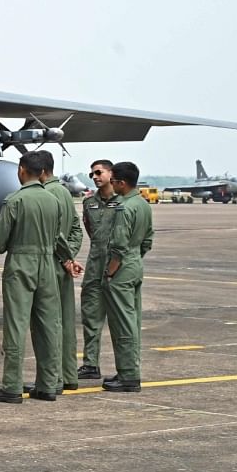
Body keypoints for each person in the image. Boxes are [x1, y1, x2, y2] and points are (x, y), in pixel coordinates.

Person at [0, 151, 76, 404]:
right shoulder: (53, 199)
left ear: (23, 170)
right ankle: (48, 385)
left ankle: (12, 387)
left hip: (21, 264)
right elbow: (59, 238)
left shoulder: (14, 200)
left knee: (16, 326)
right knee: (49, 326)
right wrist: (68, 259)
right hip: (48, 264)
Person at [102, 161, 154, 392]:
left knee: (123, 324)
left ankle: (129, 376)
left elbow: (119, 245)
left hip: (122, 269)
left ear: (121, 183)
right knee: (133, 321)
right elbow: (147, 240)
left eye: (113, 181)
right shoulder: (142, 204)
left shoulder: (124, 208)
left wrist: (111, 271)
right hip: (135, 264)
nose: (111, 185)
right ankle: (128, 369)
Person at [37, 152, 84, 392]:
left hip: (48, 265)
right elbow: (76, 230)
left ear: (42, 171)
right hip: (63, 267)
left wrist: (64, 258)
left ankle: (51, 380)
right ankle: (69, 375)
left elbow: (52, 233)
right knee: (66, 322)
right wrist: (70, 257)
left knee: (49, 323)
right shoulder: (65, 193)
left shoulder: (44, 194)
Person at [78, 159, 117, 380]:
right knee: (90, 317)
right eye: (92, 174)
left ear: (112, 173)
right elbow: (91, 231)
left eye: (99, 172)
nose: (94, 177)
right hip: (94, 266)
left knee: (119, 319)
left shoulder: (124, 202)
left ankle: (126, 367)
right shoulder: (88, 203)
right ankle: (90, 364)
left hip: (117, 267)